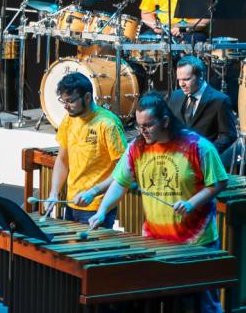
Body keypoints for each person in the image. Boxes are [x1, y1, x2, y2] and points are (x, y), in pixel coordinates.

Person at [89, 91, 227, 312]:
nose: (142, 131)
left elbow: (218, 182)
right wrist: (103, 210)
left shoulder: (197, 146)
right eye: (139, 125)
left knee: (202, 307)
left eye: (148, 126)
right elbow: (121, 182)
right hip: (155, 244)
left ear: (164, 121)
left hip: (195, 244)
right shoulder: (137, 148)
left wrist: (192, 203)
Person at [45, 73, 127, 228]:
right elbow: (62, 160)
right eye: (63, 101)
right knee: (68, 251)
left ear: (88, 97)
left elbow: (122, 170)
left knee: (94, 250)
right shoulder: (69, 119)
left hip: (97, 206)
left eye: (70, 101)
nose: (66, 106)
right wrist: (54, 193)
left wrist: (94, 192)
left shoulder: (107, 124)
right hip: (71, 202)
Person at [167, 56, 237, 160]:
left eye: (186, 79)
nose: (181, 84)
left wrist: (206, 153)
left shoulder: (220, 100)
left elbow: (229, 135)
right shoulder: (176, 95)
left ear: (201, 76)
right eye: (179, 79)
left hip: (203, 162)